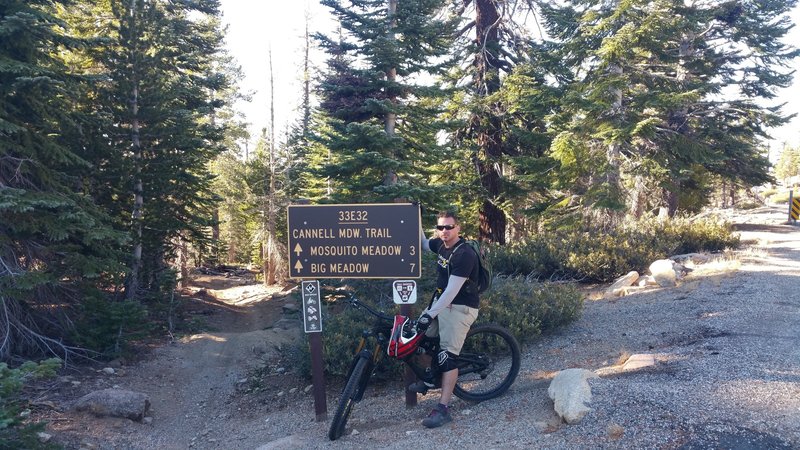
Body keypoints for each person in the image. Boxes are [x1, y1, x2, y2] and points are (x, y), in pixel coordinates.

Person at [410, 210, 480, 428]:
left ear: (458, 228)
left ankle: (443, 409)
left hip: (460, 307)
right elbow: (422, 243)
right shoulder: (440, 244)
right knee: (418, 337)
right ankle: (432, 376)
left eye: (449, 227)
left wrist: (430, 314)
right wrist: (414, 213)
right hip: (442, 303)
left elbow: (452, 291)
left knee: (447, 356)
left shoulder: (464, 254)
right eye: (440, 227)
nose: (444, 231)